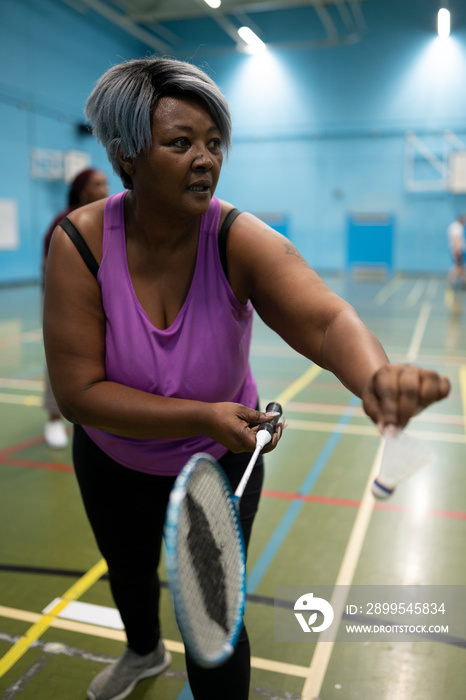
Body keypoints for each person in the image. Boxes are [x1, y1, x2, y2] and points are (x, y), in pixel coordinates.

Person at [43, 57, 450, 700]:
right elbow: (78, 395)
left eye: (213, 143)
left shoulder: (234, 235)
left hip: (219, 464)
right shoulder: (79, 243)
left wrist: (377, 376)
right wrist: (200, 414)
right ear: (127, 156)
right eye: (181, 143)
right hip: (114, 459)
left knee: (212, 621)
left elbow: (324, 320)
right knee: (127, 573)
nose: (205, 159)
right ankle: (143, 654)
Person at [42, 168, 108, 448]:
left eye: (105, 183)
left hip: (103, 297)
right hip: (65, 301)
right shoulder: (65, 222)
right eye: (97, 184)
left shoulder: (111, 218)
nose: (104, 188)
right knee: (62, 359)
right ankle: (54, 420)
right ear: (82, 190)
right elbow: (48, 264)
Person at [447, 213, 466, 287]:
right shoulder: (457, 227)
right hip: (458, 250)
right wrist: (457, 250)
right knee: (458, 266)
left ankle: (462, 281)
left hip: (457, 250)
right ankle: (451, 281)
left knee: (460, 266)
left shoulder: (455, 226)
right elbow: (455, 239)